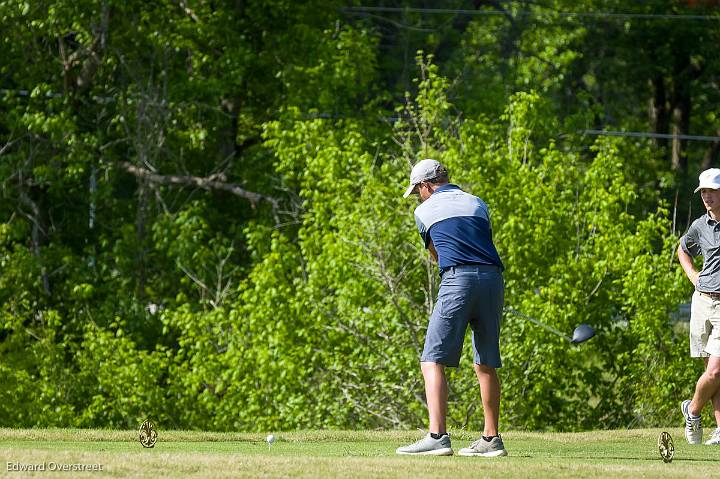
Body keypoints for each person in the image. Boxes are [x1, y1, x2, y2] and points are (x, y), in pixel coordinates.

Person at [395, 159, 507, 457]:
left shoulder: (423, 211)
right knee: (485, 362)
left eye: (418, 190)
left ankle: (437, 436)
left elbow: (437, 254)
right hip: (493, 279)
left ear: (426, 185)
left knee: (432, 359)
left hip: (458, 279)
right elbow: (480, 243)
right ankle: (491, 439)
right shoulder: (477, 203)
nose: (418, 196)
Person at [677, 167, 720, 446]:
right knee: (714, 375)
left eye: (711, 191)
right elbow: (683, 249)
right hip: (702, 301)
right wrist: (693, 275)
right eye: (703, 191)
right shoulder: (698, 226)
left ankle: (692, 410)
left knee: (716, 370)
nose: (706, 196)